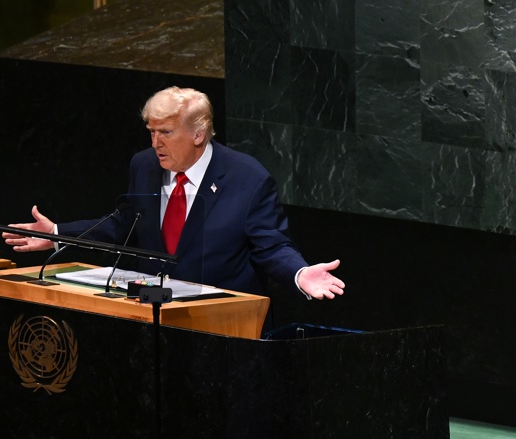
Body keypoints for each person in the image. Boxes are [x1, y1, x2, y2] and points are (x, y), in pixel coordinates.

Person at [4, 86, 345, 300]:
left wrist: (300, 273)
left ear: (198, 134)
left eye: (165, 132)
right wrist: (60, 234)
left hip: (221, 323)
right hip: (151, 318)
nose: (155, 143)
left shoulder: (247, 178)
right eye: (151, 131)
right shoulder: (145, 166)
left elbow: (271, 245)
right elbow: (125, 223)